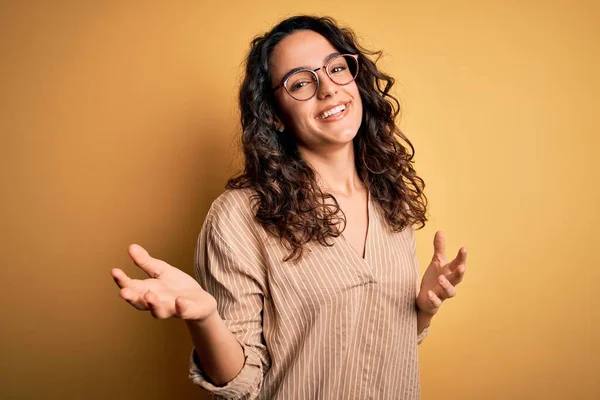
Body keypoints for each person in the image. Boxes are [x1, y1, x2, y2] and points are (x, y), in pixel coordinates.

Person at [110, 15, 467, 399]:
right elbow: (242, 383)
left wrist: (423, 308)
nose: (328, 88)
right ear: (276, 116)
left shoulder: (388, 197)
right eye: (300, 83)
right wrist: (205, 318)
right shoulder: (238, 216)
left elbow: (372, 345)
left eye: (336, 68)